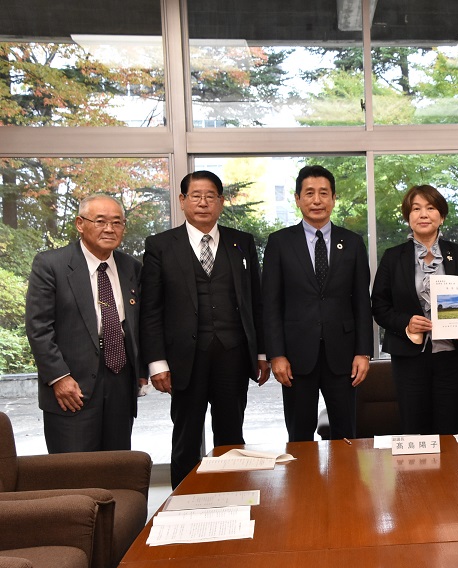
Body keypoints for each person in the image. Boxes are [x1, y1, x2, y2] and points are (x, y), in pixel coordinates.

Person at [140, 171, 269, 488]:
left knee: (231, 436)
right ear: (182, 201)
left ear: (221, 202)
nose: (203, 202)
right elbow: (151, 309)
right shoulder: (160, 246)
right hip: (186, 359)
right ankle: (183, 504)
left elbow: (256, 302)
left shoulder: (242, 243)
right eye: (195, 196)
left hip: (233, 356)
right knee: (185, 437)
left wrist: (262, 352)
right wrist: (157, 362)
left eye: (210, 196)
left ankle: (234, 495)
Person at [263, 165, 373, 442]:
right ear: (297, 199)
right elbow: (271, 304)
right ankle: (303, 486)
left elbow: (362, 301)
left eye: (324, 193)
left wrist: (363, 352)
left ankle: (344, 487)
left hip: (344, 355)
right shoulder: (279, 243)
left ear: (334, 198)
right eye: (309, 193)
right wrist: (276, 354)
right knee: (300, 435)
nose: (317, 200)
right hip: (296, 357)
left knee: (345, 434)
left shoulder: (352, 242)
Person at [25, 194, 144, 452]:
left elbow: (139, 322)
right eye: (100, 221)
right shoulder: (51, 264)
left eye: (117, 222)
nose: (109, 229)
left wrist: (142, 368)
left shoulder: (132, 268)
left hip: (120, 380)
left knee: (118, 464)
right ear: (80, 223)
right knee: (75, 472)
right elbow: (38, 328)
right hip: (71, 384)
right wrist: (59, 378)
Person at [371, 185, 458, 435]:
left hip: (450, 354)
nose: (423, 214)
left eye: (430, 208)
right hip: (408, 358)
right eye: (416, 209)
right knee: (414, 428)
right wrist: (406, 322)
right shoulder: (392, 257)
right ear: (408, 217)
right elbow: (379, 307)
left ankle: (451, 475)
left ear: (441, 215)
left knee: (450, 428)